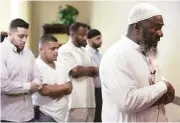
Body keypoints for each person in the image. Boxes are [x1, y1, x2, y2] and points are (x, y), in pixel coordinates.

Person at [99, 3, 175, 122]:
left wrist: (163, 87)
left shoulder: (147, 51)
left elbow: (153, 85)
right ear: (137, 27)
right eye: (156, 28)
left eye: (161, 28)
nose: (161, 33)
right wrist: (164, 86)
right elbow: (127, 102)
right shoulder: (116, 55)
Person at [0, 18, 42, 122]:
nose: (24, 40)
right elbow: (4, 85)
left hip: (29, 115)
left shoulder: (28, 53)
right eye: (21, 36)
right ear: (10, 34)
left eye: (26, 36)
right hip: (9, 117)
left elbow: (39, 78)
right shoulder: (1, 52)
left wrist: (35, 84)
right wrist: (29, 86)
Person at [57, 22, 98, 122]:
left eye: (86, 35)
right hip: (76, 101)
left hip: (90, 101)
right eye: (81, 35)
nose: (84, 38)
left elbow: (93, 72)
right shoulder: (65, 50)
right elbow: (75, 72)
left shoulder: (85, 51)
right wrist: (91, 69)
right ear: (72, 34)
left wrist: (86, 70)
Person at [32, 35, 72, 122]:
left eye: (57, 48)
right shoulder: (35, 65)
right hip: (45, 115)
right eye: (52, 49)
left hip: (62, 116)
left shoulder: (61, 66)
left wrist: (56, 89)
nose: (56, 51)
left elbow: (70, 88)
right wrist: (63, 88)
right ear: (41, 49)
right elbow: (45, 90)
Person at [86, 29, 102, 122]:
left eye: (100, 38)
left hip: (100, 90)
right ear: (88, 40)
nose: (100, 41)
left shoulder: (100, 55)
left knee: (100, 116)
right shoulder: (86, 54)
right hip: (91, 90)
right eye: (97, 38)